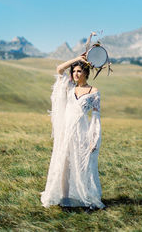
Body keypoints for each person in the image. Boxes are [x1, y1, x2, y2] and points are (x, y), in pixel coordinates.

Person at [41, 55, 105, 209]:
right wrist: (77, 58)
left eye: (79, 71)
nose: (75, 74)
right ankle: (65, 199)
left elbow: (96, 117)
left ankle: (86, 197)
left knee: (83, 165)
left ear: (86, 73)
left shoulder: (94, 91)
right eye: (74, 71)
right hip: (65, 131)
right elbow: (59, 69)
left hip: (81, 132)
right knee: (64, 164)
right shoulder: (69, 86)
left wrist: (94, 138)